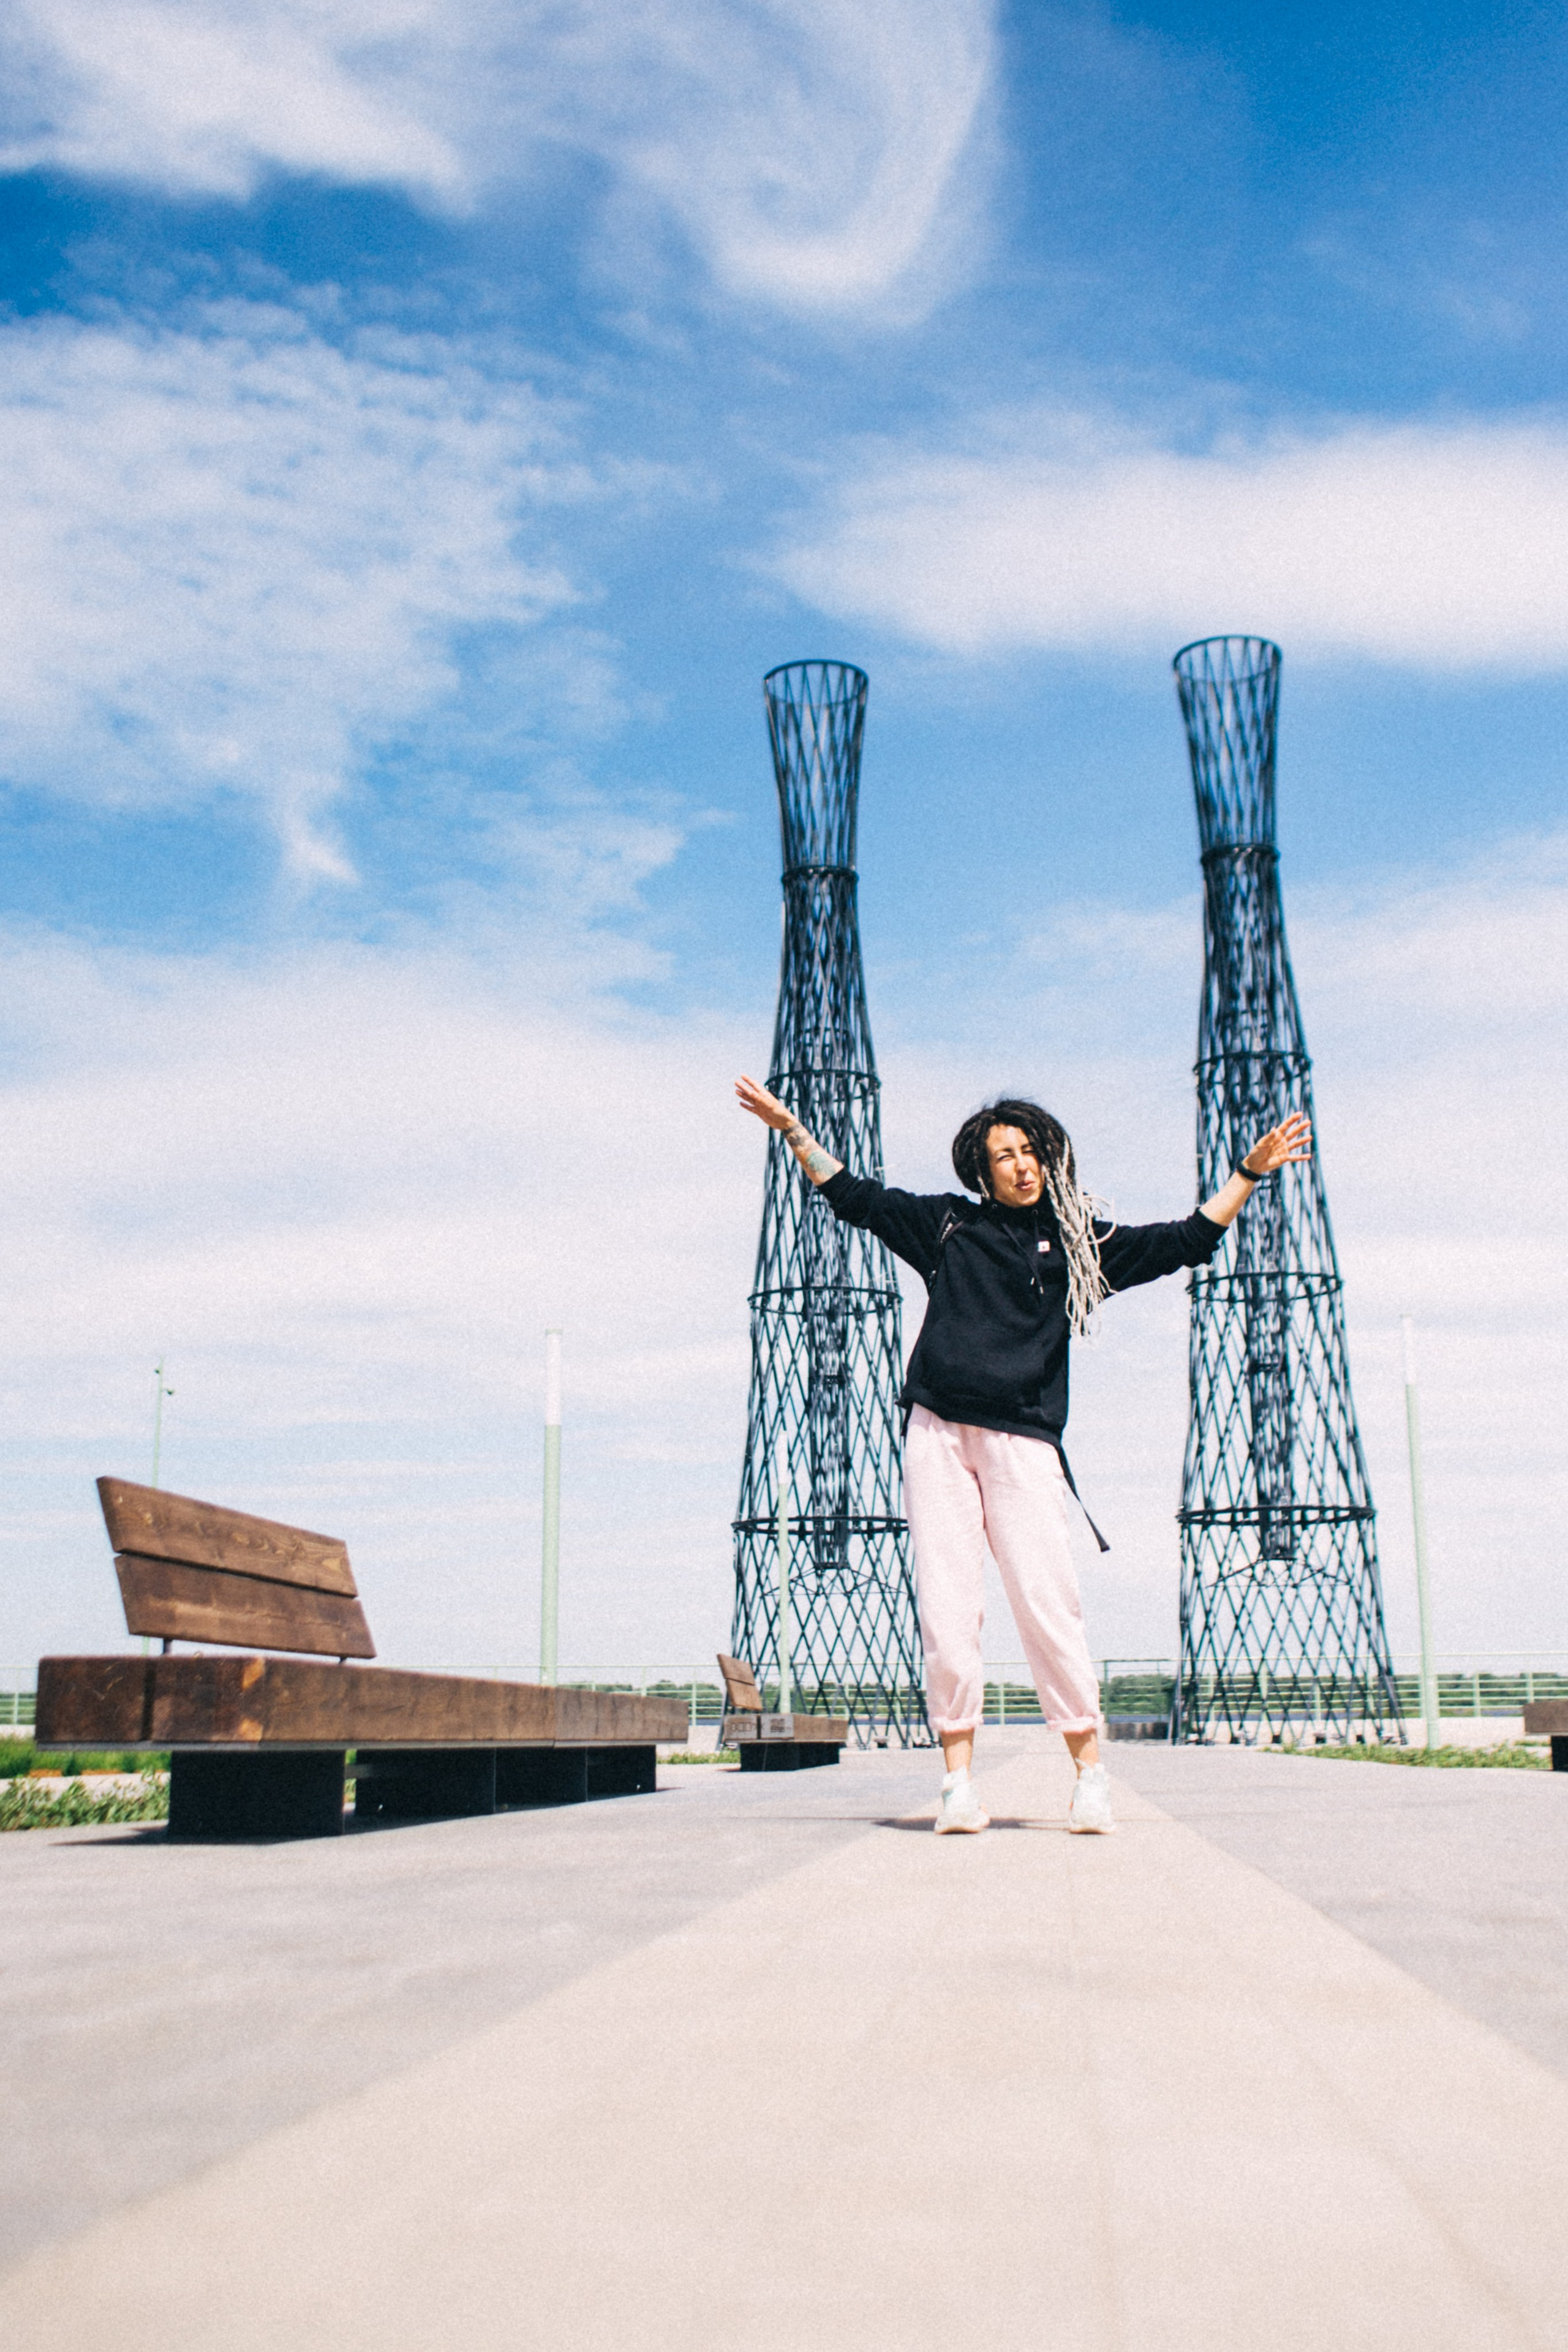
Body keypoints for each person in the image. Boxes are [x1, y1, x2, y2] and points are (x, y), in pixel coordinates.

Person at [733, 1076, 1311, 1834]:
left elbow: (1184, 1241)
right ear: (981, 1169)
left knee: (1046, 1605)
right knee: (947, 1609)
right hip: (937, 1433)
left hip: (1023, 1441)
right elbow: (854, 1196)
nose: (1020, 1164)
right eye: (1003, 1155)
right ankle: (958, 1787)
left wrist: (1247, 1173)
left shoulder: (1078, 1246)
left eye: (1030, 1149)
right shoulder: (945, 1227)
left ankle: (1089, 1775)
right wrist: (792, 1131)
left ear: (1049, 1156)